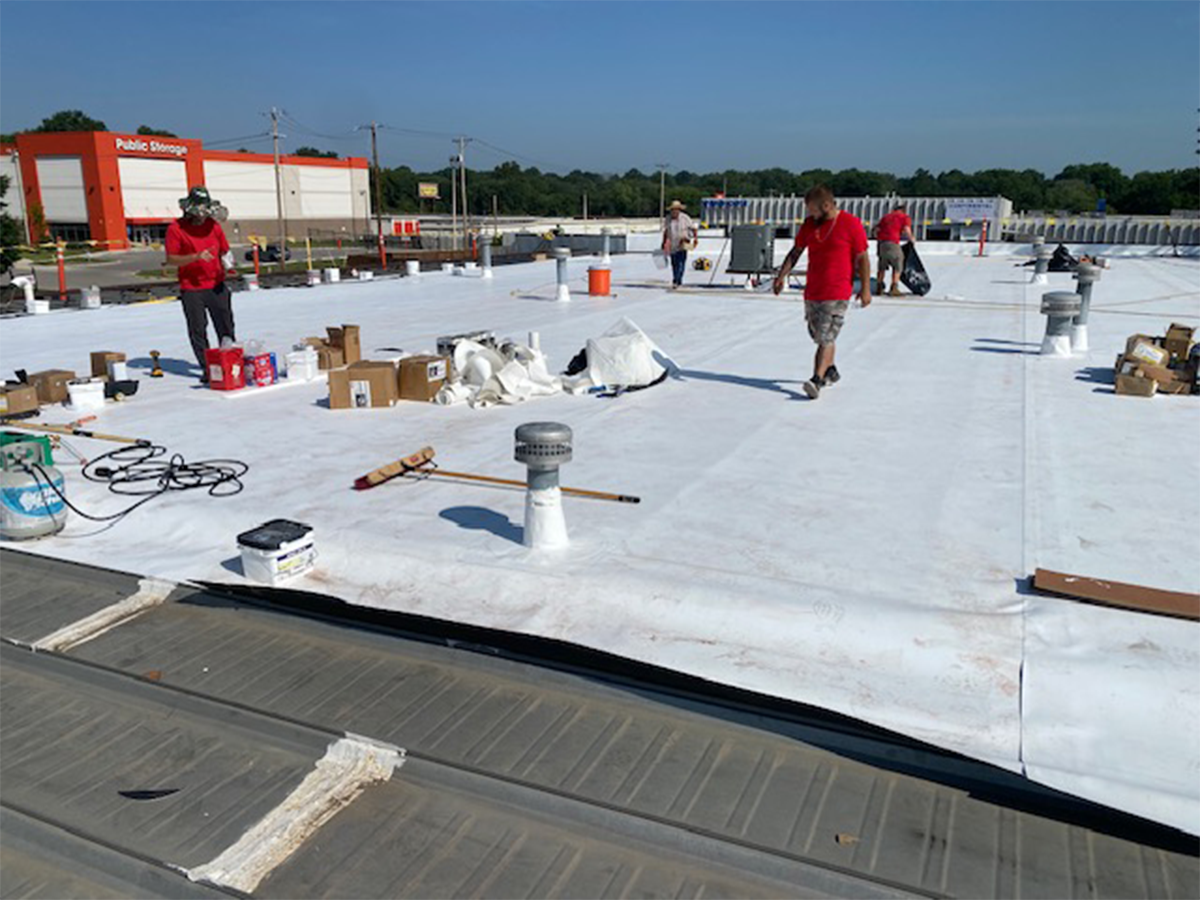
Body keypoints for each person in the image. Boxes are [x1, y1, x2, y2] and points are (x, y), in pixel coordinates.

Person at [773, 185, 871, 399]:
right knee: (819, 335)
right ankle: (830, 370)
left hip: (837, 291)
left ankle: (816, 380)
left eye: (813, 210)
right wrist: (781, 276)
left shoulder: (850, 223)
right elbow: (796, 251)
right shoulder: (810, 225)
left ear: (826, 205)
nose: (810, 215)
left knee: (826, 337)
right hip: (813, 291)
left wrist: (865, 289)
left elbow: (862, 257)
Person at [164, 186, 236, 382]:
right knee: (198, 329)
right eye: (199, 214)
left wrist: (228, 263)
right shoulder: (176, 229)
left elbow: (224, 249)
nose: (202, 218)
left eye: (205, 214)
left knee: (225, 325)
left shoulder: (214, 226)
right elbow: (171, 259)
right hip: (192, 288)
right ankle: (208, 368)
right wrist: (195, 257)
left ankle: (230, 363)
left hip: (217, 285)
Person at [874, 203, 914, 297]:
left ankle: (879, 287)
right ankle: (894, 288)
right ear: (903, 211)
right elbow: (906, 229)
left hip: (881, 244)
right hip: (893, 242)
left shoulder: (886, 217)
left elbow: (876, 230)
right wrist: (911, 239)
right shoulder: (904, 217)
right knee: (898, 263)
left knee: (882, 266)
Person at [662, 200, 697, 288]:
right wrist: (664, 242)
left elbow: (693, 228)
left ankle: (678, 279)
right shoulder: (668, 219)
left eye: (676, 209)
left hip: (683, 242)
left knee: (681, 262)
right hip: (673, 243)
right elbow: (666, 231)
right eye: (673, 210)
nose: (675, 211)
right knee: (674, 263)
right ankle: (676, 278)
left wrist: (695, 239)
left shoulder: (685, 218)